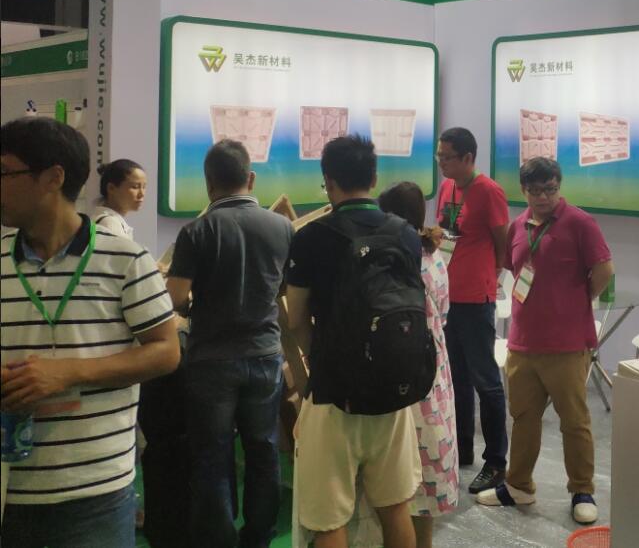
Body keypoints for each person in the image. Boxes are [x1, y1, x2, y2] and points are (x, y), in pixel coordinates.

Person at [0, 117, 180, 548]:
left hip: (96, 488)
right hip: (8, 486)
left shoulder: (126, 260)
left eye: (5, 172)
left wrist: (69, 372)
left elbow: (166, 351)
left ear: (53, 177)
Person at [285, 135, 422, 548]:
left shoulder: (312, 237)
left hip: (333, 394)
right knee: (395, 506)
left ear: (328, 181)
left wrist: (317, 357)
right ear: (374, 177)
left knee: (329, 519)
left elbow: (296, 319)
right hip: (395, 388)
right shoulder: (405, 233)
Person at [164, 139, 293, 548]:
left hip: (211, 360)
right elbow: (284, 288)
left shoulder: (196, 232)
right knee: (264, 451)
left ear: (208, 183)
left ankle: (219, 539)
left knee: (213, 456)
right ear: (250, 178)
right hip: (265, 355)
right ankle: (258, 536)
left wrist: (195, 303)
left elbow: (175, 297)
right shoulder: (281, 227)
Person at [476, 157, 613, 525]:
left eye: (550, 189)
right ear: (524, 191)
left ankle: (582, 490)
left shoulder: (580, 223)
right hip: (523, 342)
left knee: (574, 421)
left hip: (566, 344)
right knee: (523, 418)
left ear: (559, 186)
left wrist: (578, 300)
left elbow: (604, 269)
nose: (543, 197)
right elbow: (514, 268)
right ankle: (518, 485)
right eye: (535, 191)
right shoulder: (517, 227)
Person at [379, 182, 459, 548]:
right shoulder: (433, 254)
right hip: (435, 367)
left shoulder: (397, 260)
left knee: (402, 470)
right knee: (429, 471)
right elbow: (443, 313)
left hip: (407, 369)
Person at [434, 126, 509, 494]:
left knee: (486, 381)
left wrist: (489, 276)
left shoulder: (488, 191)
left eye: (447, 157)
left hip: (476, 299)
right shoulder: (447, 187)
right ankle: (461, 448)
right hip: (447, 297)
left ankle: (495, 462)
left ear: (468, 157)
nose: (441, 163)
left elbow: (502, 243)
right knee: (456, 378)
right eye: (439, 156)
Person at [92, 158, 147, 240]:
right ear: (111, 188)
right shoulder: (109, 224)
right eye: (135, 187)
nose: (142, 194)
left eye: (144, 187)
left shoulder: (111, 221)